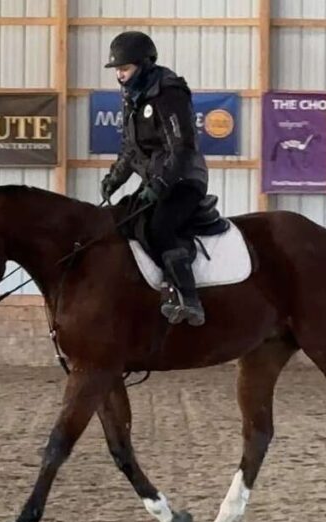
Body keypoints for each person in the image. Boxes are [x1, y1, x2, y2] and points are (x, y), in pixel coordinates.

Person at [100, 31, 208, 327]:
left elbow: (182, 147)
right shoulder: (131, 97)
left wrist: (161, 184)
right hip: (154, 180)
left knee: (160, 226)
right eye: (118, 70)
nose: (120, 76)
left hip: (184, 178)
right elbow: (130, 149)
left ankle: (188, 297)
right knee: (125, 222)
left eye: (125, 69)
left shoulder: (169, 92)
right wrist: (114, 179)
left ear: (145, 64)